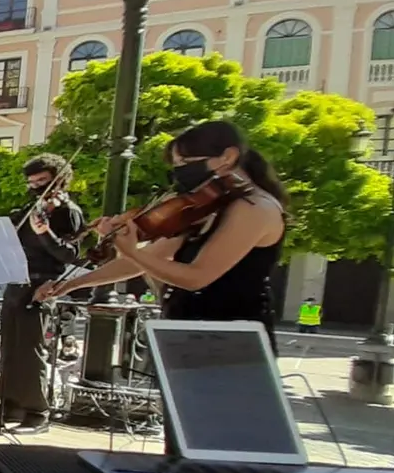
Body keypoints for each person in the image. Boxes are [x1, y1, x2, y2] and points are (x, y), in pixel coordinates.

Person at [37, 120, 288, 344]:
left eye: (185, 163)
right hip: (189, 331)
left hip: (233, 341)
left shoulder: (255, 208)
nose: (179, 174)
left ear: (228, 157)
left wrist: (133, 251)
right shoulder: (208, 207)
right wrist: (70, 284)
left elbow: (197, 277)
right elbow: (144, 261)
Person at [0, 154, 85, 435]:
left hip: (42, 285)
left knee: (32, 352)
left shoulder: (67, 212)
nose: (36, 188)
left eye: (42, 181)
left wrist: (44, 232)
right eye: (31, 183)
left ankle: (37, 412)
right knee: (9, 349)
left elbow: (70, 254)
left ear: (60, 180)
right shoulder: (29, 209)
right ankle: (9, 405)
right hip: (16, 280)